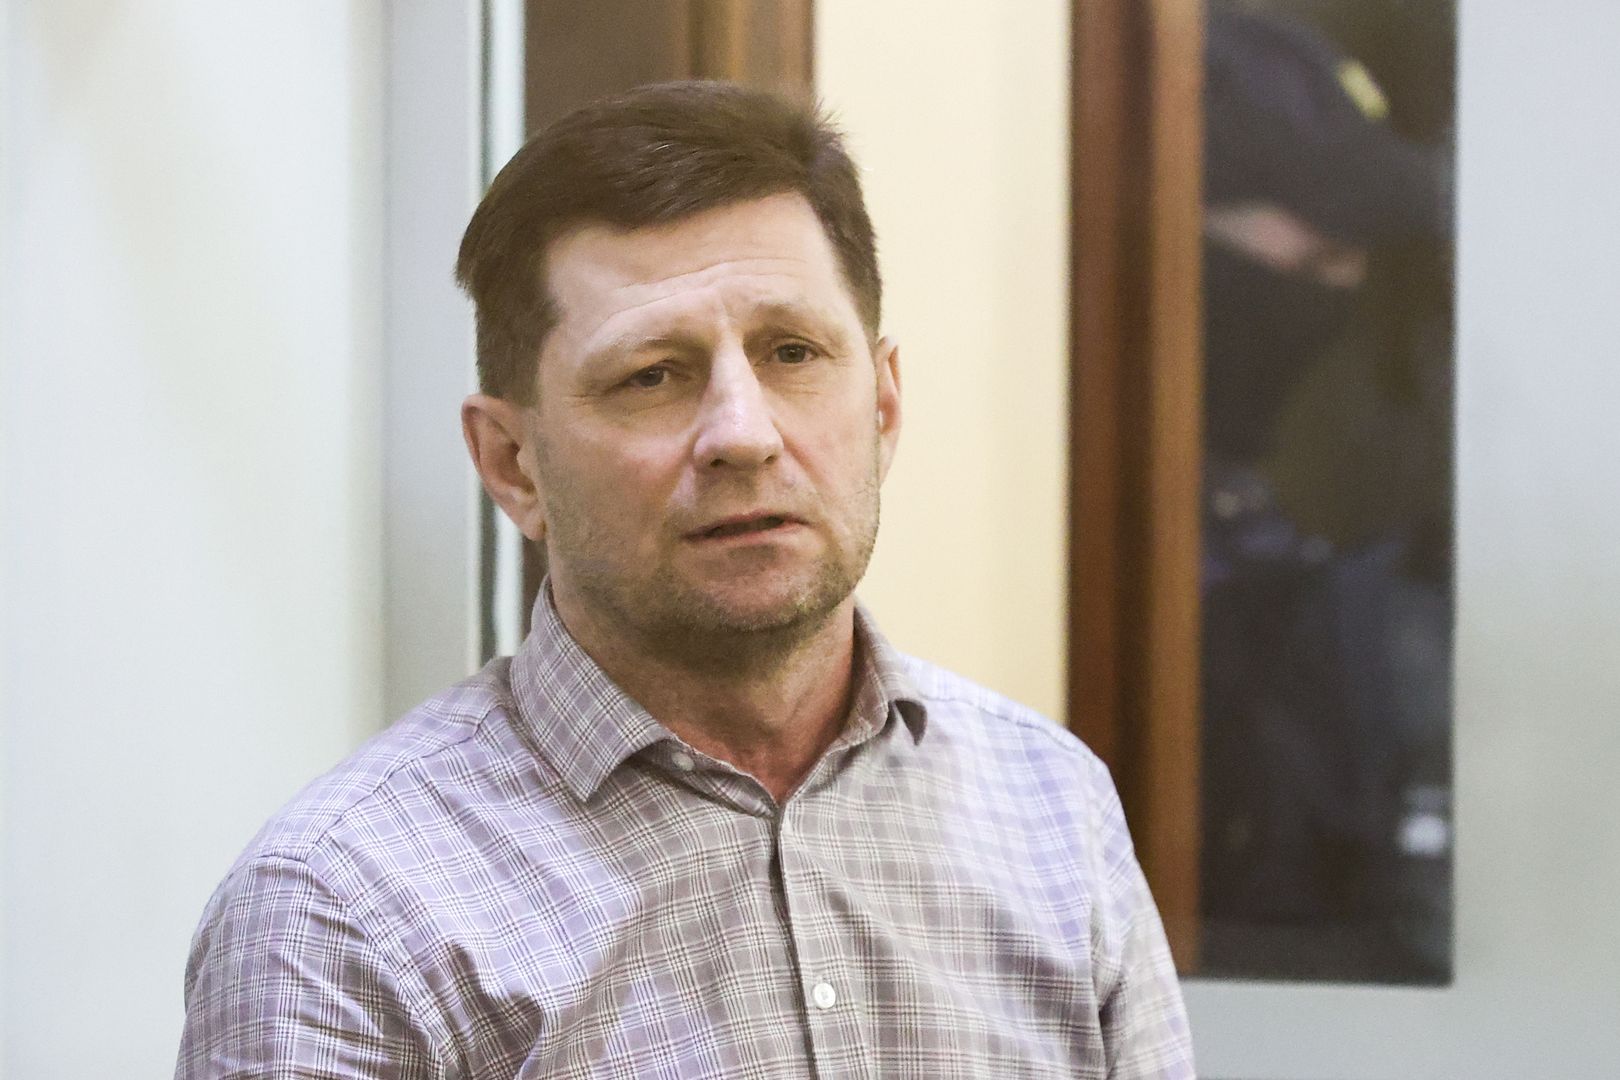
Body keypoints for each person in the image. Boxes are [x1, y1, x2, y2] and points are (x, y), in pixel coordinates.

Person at [175, 82, 1194, 1078]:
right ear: (512, 465)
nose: (743, 434)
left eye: (792, 352)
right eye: (651, 376)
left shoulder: (1052, 809)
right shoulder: (342, 915)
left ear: (883, 408)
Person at [1196, 3, 1453, 978]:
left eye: (1354, 265)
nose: (1338, 288)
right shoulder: (1082, 521)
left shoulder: (1293, 527)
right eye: (1309, 262)